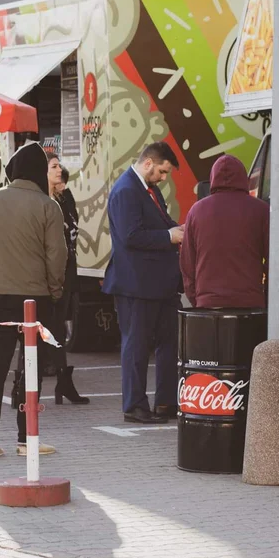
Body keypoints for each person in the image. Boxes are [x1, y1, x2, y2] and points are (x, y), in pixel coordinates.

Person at [0, 142, 66, 457]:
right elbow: (57, 256)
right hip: (35, 299)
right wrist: (55, 290)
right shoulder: (49, 206)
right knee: (30, 367)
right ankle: (26, 439)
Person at [103, 142, 183, 424]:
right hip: (135, 285)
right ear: (148, 162)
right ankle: (135, 405)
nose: (163, 178)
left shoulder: (149, 190)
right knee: (136, 347)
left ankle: (165, 402)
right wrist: (169, 237)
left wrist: (179, 229)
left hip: (159, 284)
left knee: (168, 344)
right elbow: (130, 236)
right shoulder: (126, 190)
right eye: (162, 171)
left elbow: (160, 223)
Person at [180, 154, 269, 309]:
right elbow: (273, 260)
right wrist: (265, 297)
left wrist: (197, 299)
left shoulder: (196, 211)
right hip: (251, 303)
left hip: (208, 304)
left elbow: (187, 263)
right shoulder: (261, 210)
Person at [46, 153, 87, 404]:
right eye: (53, 166)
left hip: (66, 270)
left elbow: (74, 229)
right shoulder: (39, 201)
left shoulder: (63, 198)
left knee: (59, 326)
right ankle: (26, 384)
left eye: (60, 165)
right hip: (45, 274)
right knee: (40, 327)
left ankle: (63, 381)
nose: (59, 169)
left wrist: (64, 191)